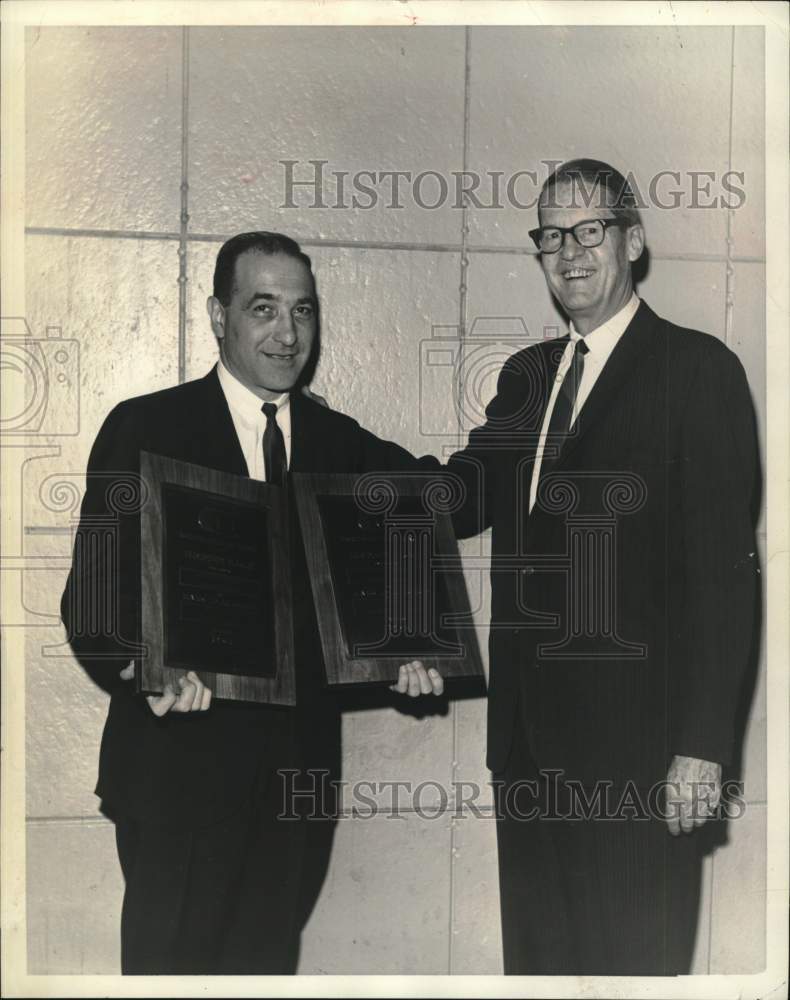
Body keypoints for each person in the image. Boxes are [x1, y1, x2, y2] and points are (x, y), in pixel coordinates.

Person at [60, 231, 443, 974]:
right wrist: (150, 670)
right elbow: (93, 600)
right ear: (217, 315)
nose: (287, 332)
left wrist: (414, 645)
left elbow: (428, 506)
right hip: (177, 778)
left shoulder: (337, 441)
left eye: (302, 310)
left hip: (294, 787)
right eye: (262, 307)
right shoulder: (145, 427)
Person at [443, 159, 760, 974]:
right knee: (540, 976)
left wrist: (703, 747)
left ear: (633, 240)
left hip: (643, 757)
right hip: (527, 752)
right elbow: (463, 491)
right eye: (552, 236)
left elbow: (725, 578)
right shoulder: (526, 377)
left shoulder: (699, 372)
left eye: (591, 232)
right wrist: (339, 476)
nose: (571, 253)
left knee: (635, 975)